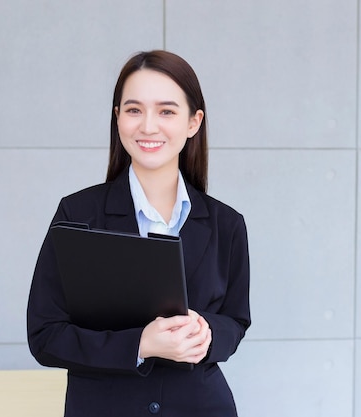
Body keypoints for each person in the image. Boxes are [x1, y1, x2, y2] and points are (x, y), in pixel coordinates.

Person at [27, 50, 251, 417]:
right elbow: (45, 335)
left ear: (193, 122)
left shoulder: (226, 224)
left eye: (167, 111)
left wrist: (208, 334)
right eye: (133, 110)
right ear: (117, 119)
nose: (148, 126)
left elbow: (236, 321)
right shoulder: (77, 214)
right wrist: (140, 344)